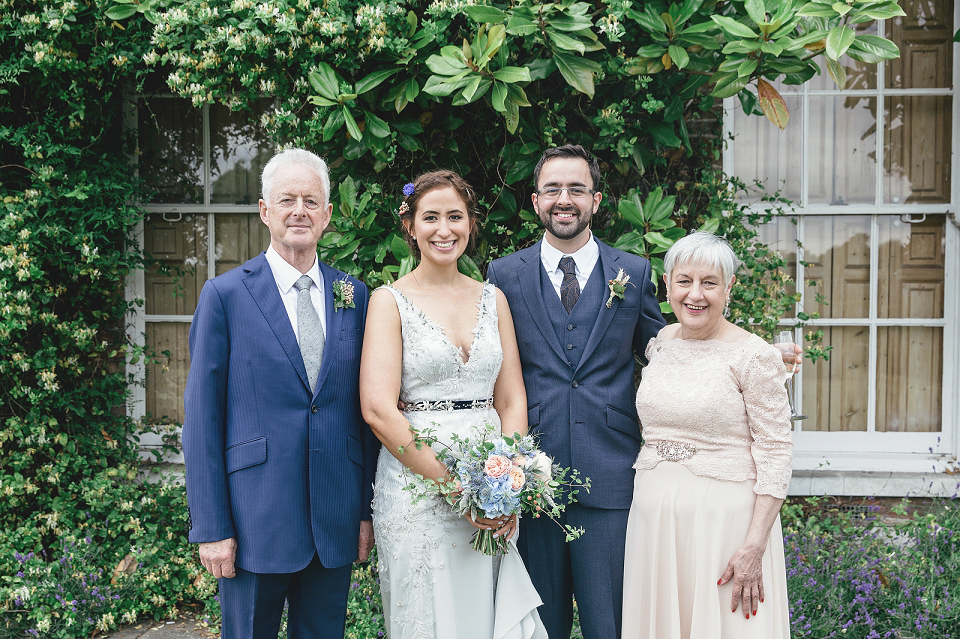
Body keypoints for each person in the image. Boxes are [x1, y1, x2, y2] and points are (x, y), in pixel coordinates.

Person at [182, 148, 379, 638]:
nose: (299, 211)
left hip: (332, 520)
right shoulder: (225, 296)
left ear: (329, 215)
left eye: (311, 201)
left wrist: (363, 514)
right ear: (265, 210)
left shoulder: (355, 296)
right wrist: (211, 528)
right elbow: (203, 421)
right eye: (286, 199)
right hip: (253, 521)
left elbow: (366, 413)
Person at [486, 145, 666, 639]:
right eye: (553, 189)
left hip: (610, 477)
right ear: (535, 199)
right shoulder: (503, 275)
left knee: (612, 625)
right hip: (530, 482)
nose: (564, 199)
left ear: (596, 199)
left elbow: (668, 355)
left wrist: (745, 355)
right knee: (538, 629)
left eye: (576, 189)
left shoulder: (633, 272)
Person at [360, 170, 547, 638]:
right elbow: (378, 410)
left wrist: (508, 480)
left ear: (471, 224)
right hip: (418, 491)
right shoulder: (389, 301)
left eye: (456, 217)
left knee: (485, 614)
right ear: (411, 226)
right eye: (431, 217)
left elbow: (511, 397)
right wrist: (457, 489)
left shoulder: (493, 298)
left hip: (493, 487)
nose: (444, 230)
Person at [621, 231, 793, 639]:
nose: (695, 294)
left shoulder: (754, 356)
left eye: (709, 283)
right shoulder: (661, 341)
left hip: (724, 524)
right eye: (684, 281)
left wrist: (754, 545)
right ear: (667, 285)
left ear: (729, 287)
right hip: (653, 517)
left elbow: (776, 452)